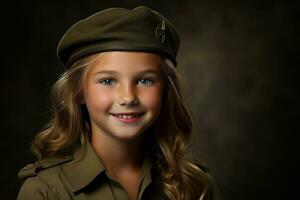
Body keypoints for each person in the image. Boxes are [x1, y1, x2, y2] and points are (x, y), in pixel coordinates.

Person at [17, 6, 222, 200]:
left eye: (145, 80)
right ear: (78, 92)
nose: (128, 97)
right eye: (108, 81)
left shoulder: (196, 185)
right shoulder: (45, 191)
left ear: (166, 91)